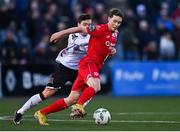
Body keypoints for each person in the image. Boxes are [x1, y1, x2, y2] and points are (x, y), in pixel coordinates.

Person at [34, 8, 123, 125]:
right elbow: (80, 28)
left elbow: (104, 48)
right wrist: (60, 33)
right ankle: (79, 107)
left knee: (71, 99)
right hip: (88, 63)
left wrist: (111, 50)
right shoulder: (100, 29)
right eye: (114, 21)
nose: (116, 24)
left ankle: (41, 113)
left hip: (94, 66)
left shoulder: (115, 34)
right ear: (108, 19)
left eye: (119, 22)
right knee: (96, 86)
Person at [13, 14, 92, 125]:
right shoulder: (74, 36)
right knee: (47, 93)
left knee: (91, 89)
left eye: (89, 25)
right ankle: (20, 111)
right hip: (66, 68)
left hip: (80, 70)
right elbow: (82, 45)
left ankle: (77, 109)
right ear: (78, 25)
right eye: (84, 24)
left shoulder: (92, 35)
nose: (86, 27)